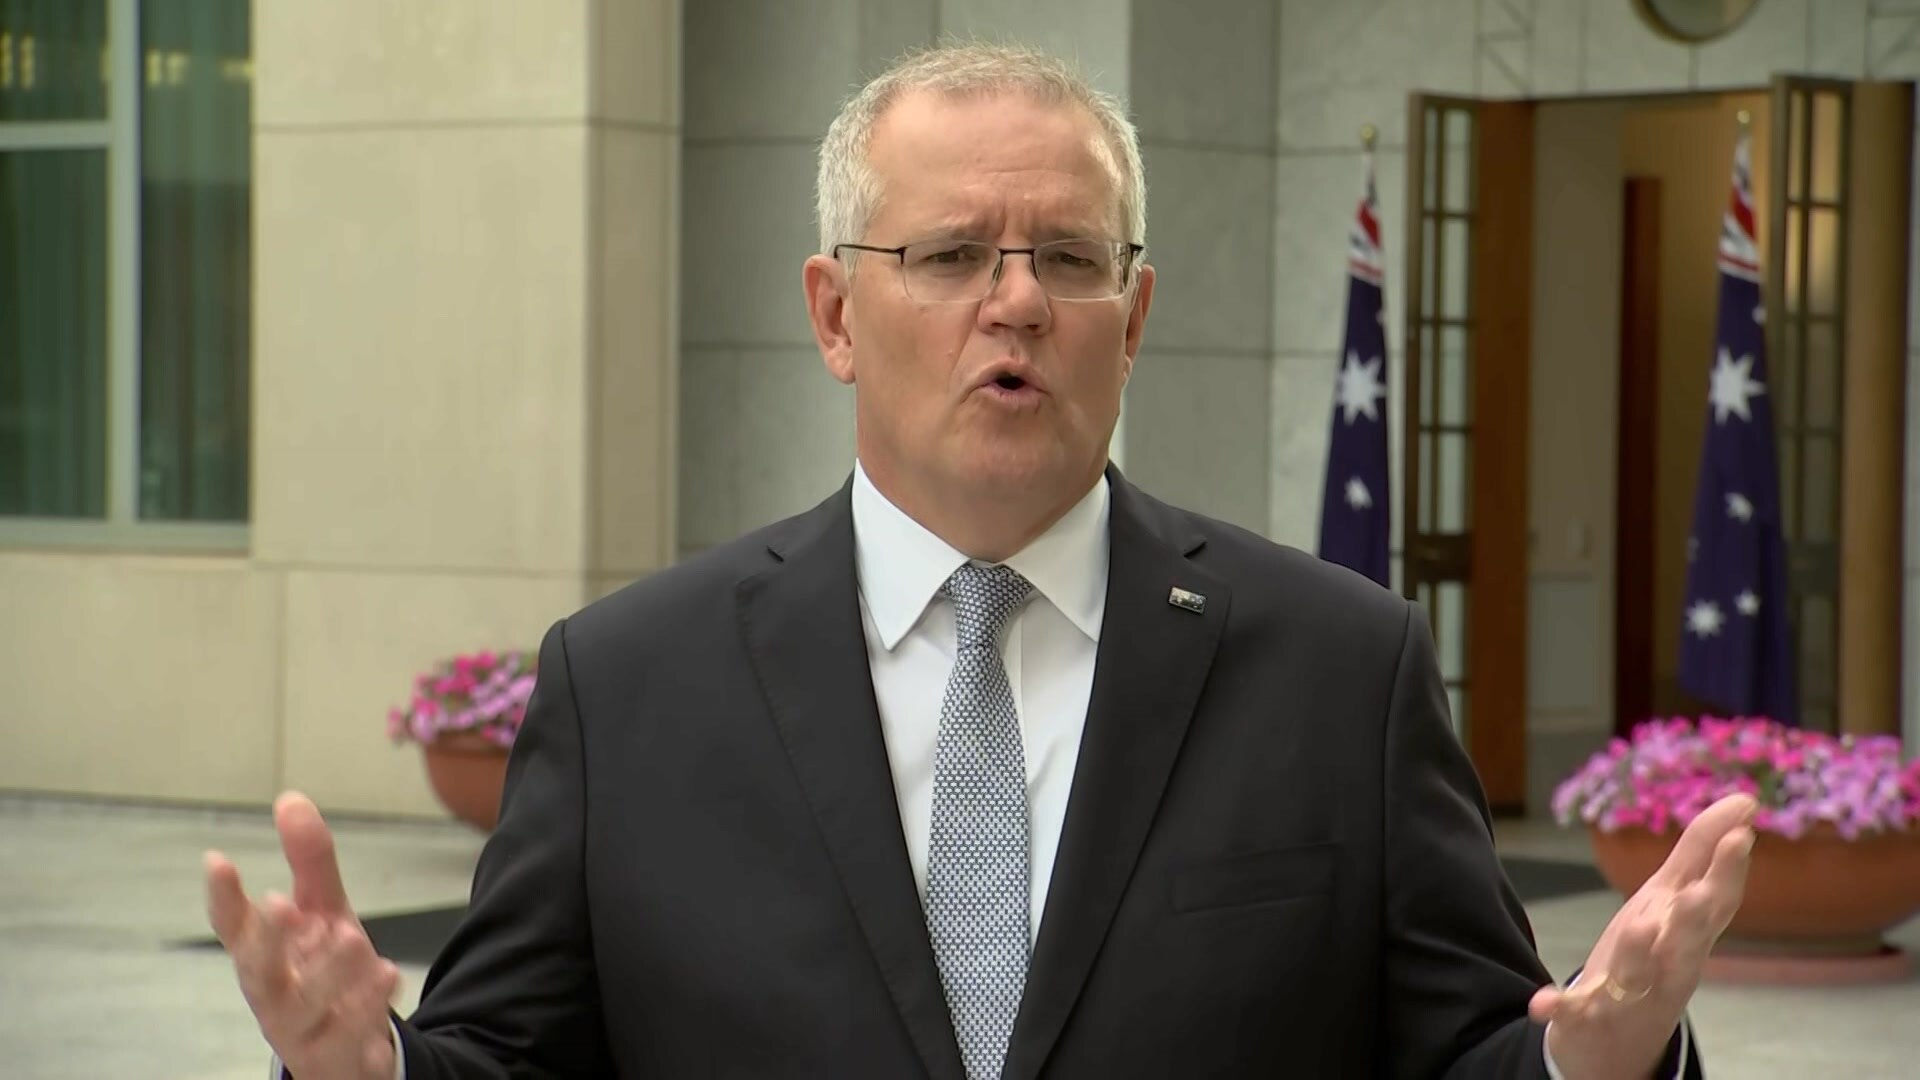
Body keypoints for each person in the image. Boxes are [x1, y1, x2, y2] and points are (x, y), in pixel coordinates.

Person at [206, 42, 1753, 1079]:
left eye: (1069, 259)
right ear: (832, 314)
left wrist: (1591, 1060)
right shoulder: (629, 685)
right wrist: (368, 1067)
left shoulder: (1342, 669)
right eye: (949, 255)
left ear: (1131, 320)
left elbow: (1474, 1053)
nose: (1015, 303)